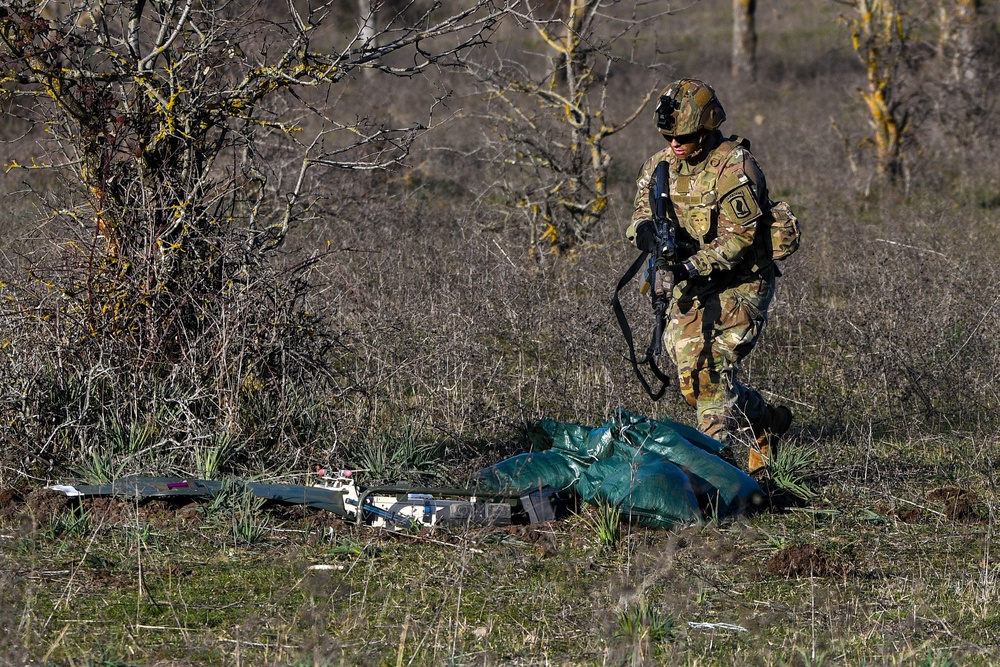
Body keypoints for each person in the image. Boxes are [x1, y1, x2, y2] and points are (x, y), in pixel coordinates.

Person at [626, 78, 792, 477]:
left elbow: (740, 239)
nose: (675, 143)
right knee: (691, 381)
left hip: (741, 281)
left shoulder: (735, 166)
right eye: (668, 136)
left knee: (710, 373)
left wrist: (686, 266)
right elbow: (637, 218)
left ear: (706, 128)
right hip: (691, 281)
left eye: (684, 136)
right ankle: (764, 421)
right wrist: (647, 234)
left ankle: (714, 473)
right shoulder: (659, 166)